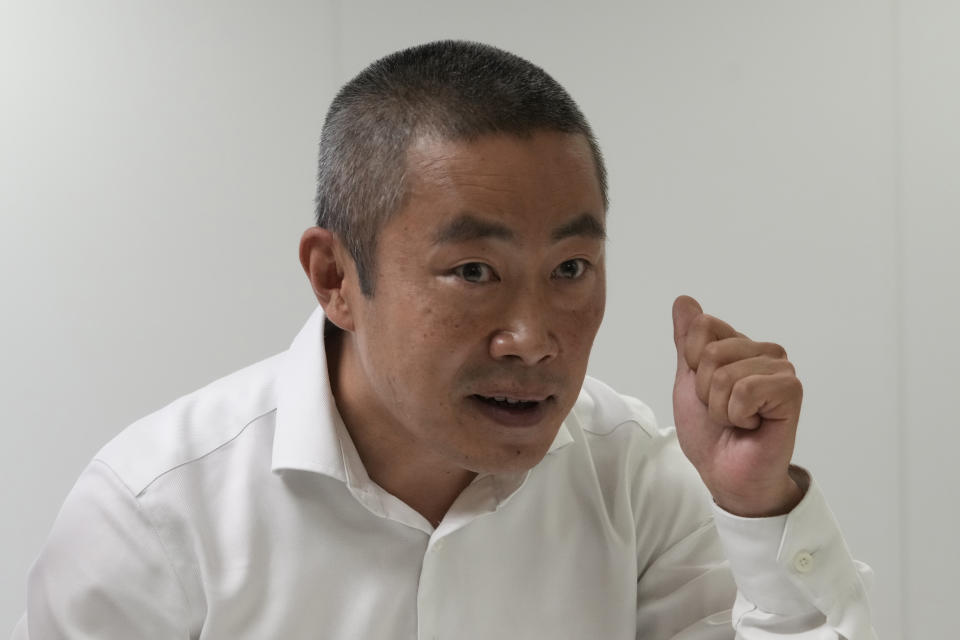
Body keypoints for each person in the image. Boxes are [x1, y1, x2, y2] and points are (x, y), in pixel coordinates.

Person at [12, 40, 876, 639]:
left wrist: (755, 508)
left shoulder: (636, 479)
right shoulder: (154, 517)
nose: (533, 339)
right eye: (473, 272)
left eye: (572, 268)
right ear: (335, 278)